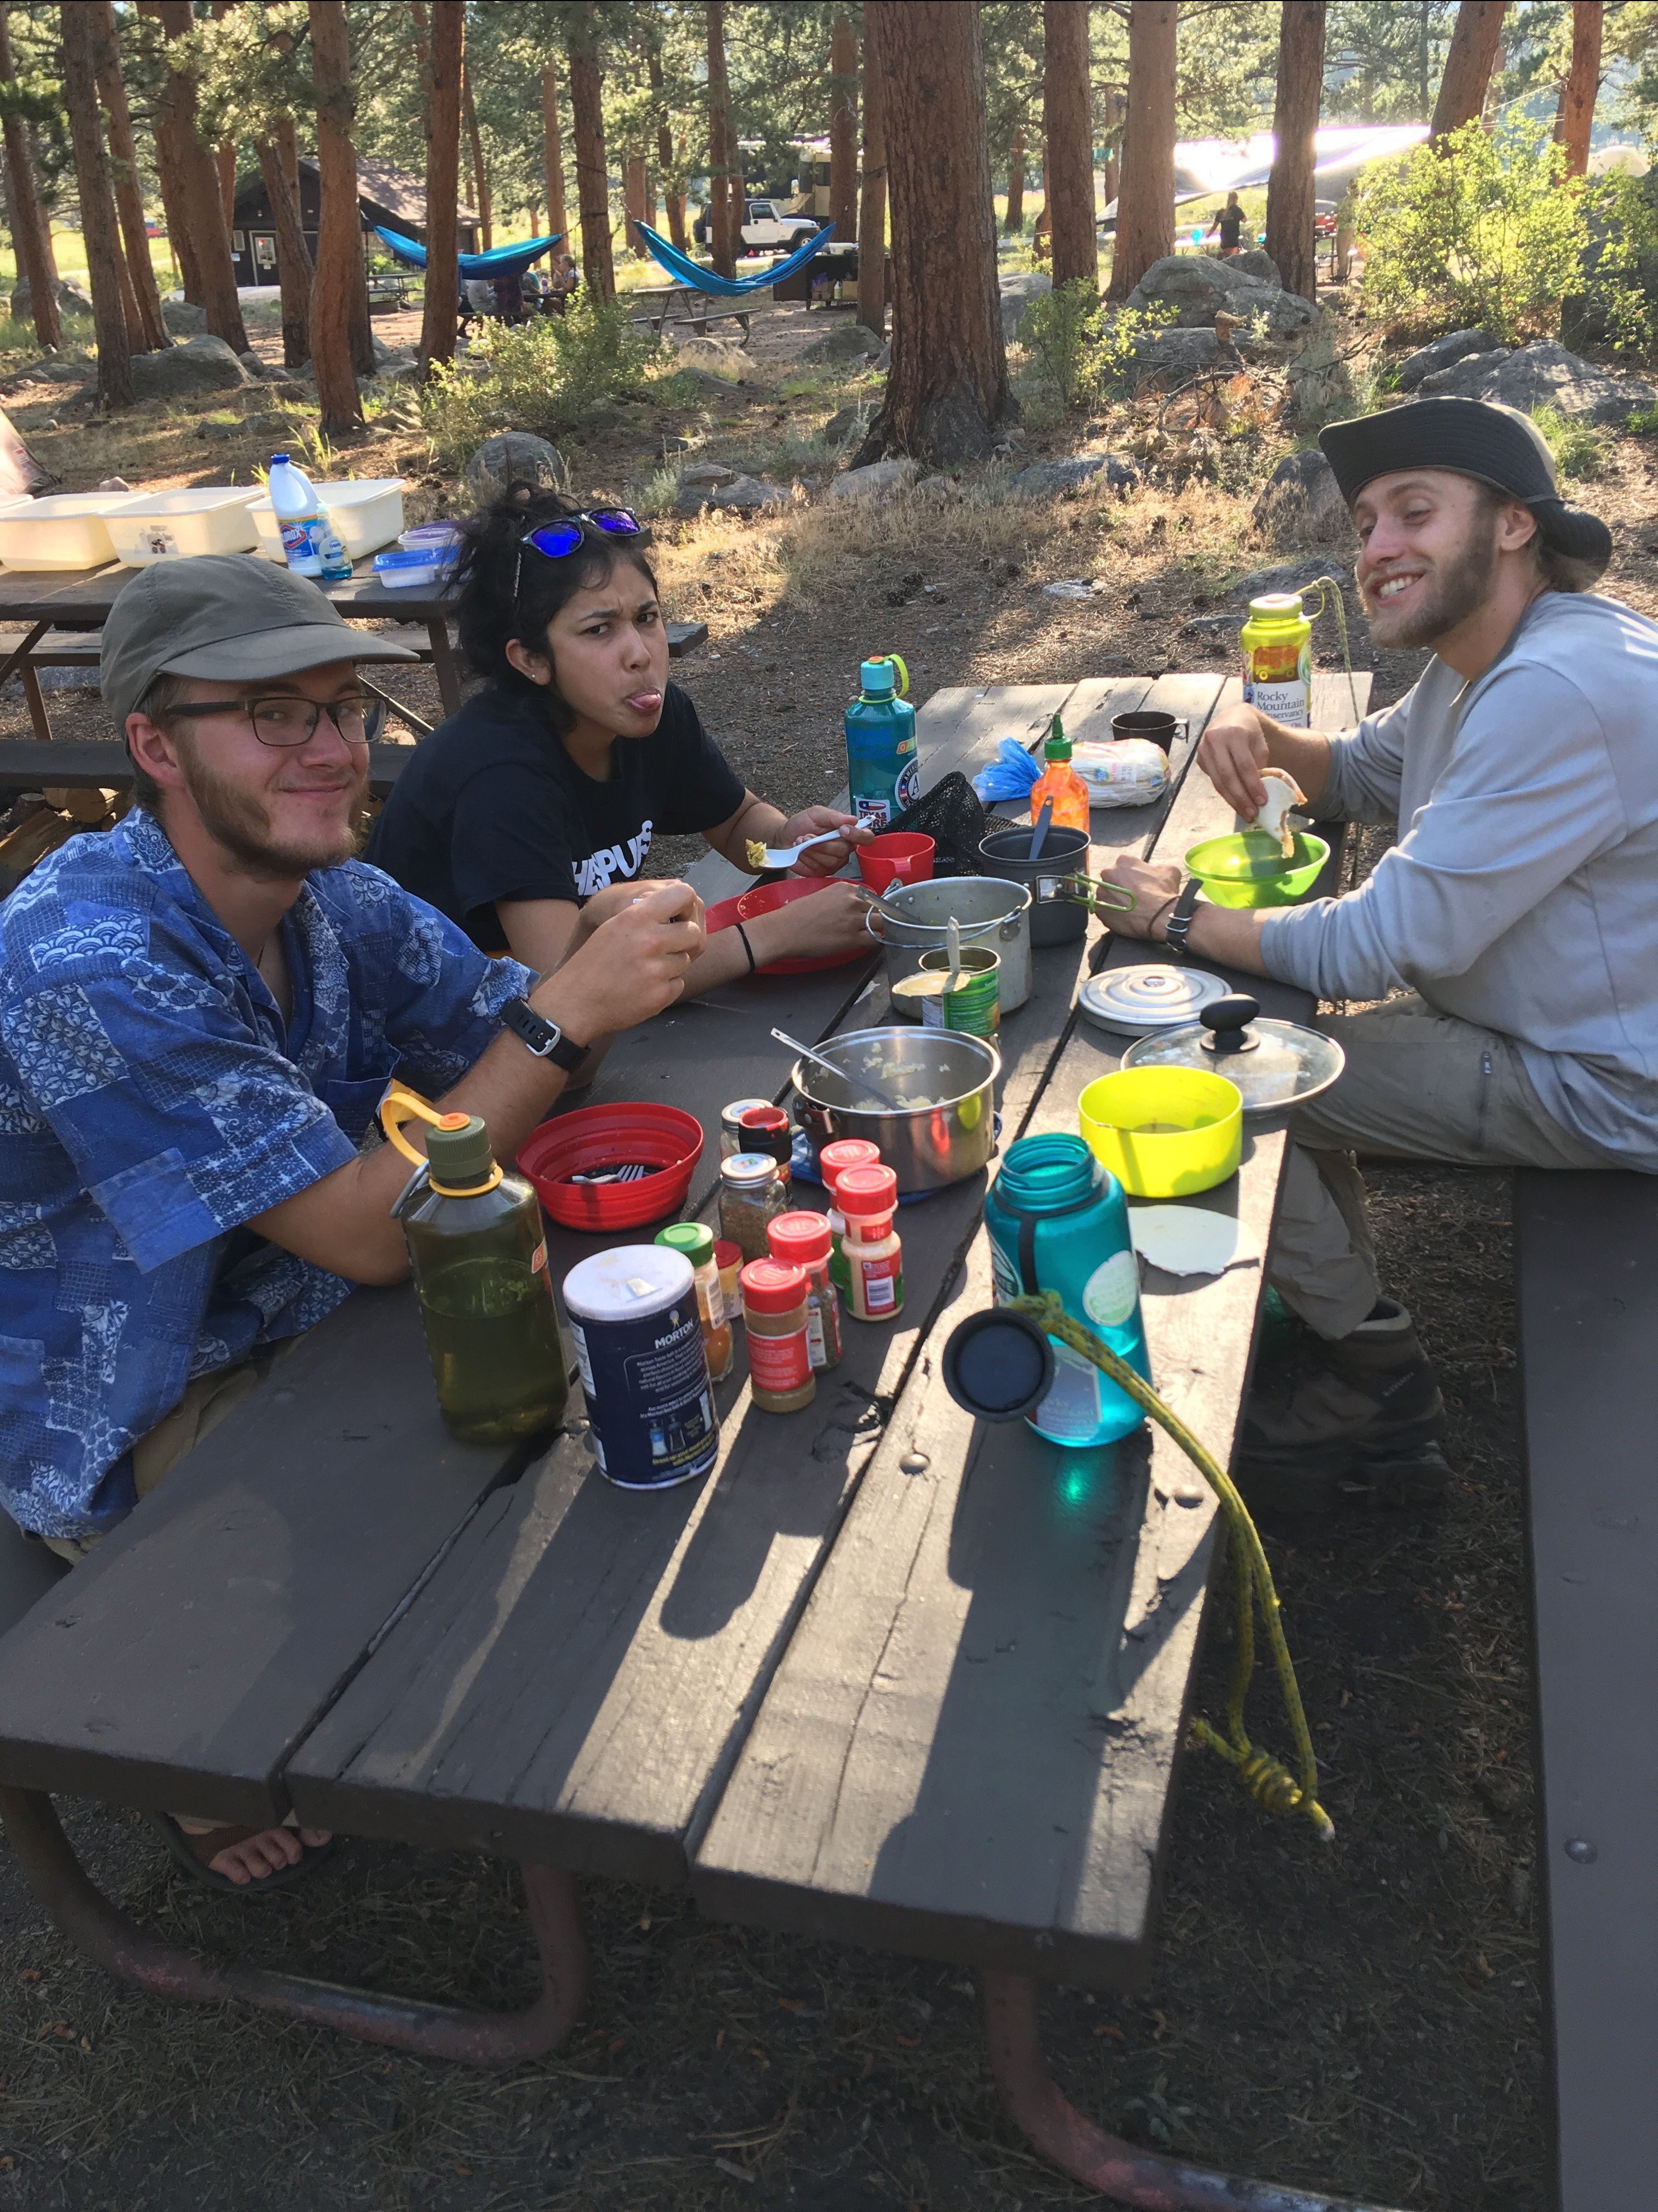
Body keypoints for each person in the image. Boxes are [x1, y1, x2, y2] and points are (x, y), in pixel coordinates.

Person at [0, 557, 702, 1884]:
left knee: (593, 1383)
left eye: (343, 711)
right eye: (274, 716)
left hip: (297, 1300)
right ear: (154, 744)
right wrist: (566, 1011)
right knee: (468, 1499)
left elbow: (513, 1032)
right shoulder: (83, 955)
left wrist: (598, 962)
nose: (332, 752)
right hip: (128, 1385)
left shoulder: (333, 894)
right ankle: (178, 1730)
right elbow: (376, 1232)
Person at [1092, 397, 1658, 1502]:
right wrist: (1268, 734)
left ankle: (1376, 1381)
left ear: (1513, 525)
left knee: (1219, 1076)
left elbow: (1371, 946)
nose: (1378, 547)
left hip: (1603, 1077)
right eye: (1364, 524)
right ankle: (1335, 1302)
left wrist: (1168, 920)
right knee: (1290, 1046)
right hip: (1540, 1023)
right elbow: (1361, 772)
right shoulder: (1483, 654)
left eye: (1414, 512)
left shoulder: (1554, 687)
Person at [365, 490, 871, 1078]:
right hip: (467, 1056)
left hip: (572, 1027)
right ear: (531, 659)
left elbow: (736, 823)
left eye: (647, 618)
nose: (639, 654)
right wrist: (775, 935)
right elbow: (577, 988)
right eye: (599, 629)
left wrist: (788, 838)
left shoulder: (650, 715)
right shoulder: (499, 774)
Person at [1207, 191, 1245, 256]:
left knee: (1227, 258)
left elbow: (1214, 227)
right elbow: (1245, 220)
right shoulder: (1237, 210)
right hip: (1233, 239)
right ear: (1236, 200)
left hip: (1224, 240)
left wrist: (1208, 236)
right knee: (1232, 259)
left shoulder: (1221, 212)